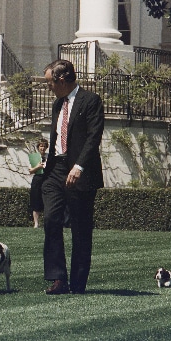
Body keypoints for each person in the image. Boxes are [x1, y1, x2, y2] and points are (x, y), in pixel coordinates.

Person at [41, 59, 105, 295]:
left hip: (80, 172)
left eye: (49, 82)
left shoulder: (91, 101)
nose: (48, 87)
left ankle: (78, 284)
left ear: (61, 79)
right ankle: (58, 279)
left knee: (80, 229)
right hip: (55, 171)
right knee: (51, 219)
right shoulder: (58, 105)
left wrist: (79, 166)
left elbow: (93, 137)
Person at [28, 138, 48, 228]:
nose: (42, 148)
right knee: (36, 201)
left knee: (47, 201)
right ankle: (36, 223)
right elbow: (31, 171)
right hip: (37, 179)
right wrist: (38, 167)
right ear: (38, 147)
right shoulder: (34, 157)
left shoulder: (49, 156)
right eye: (41, 146)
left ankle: (47, 222)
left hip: (47, 179)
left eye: (44, 146)